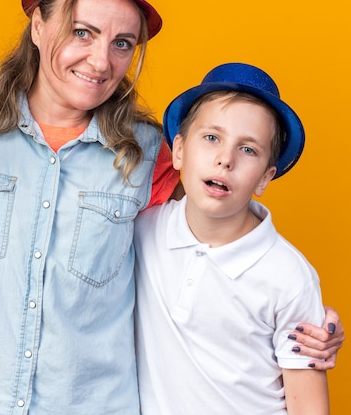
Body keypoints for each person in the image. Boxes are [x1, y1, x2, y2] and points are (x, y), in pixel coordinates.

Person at [0, 0, 342, 414]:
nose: (101, 61)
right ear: (38, 25)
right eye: (82, 32)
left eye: (122, 43)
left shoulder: (152, 156)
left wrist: (304, 323)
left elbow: (225, 238)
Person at [134, 62, 332, 414]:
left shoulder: (289, 277)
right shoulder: (141, 232)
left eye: (249, 149)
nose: (225, 159)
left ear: (264, 179)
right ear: (178, 150)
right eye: (212, 138)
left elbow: (309, 406)